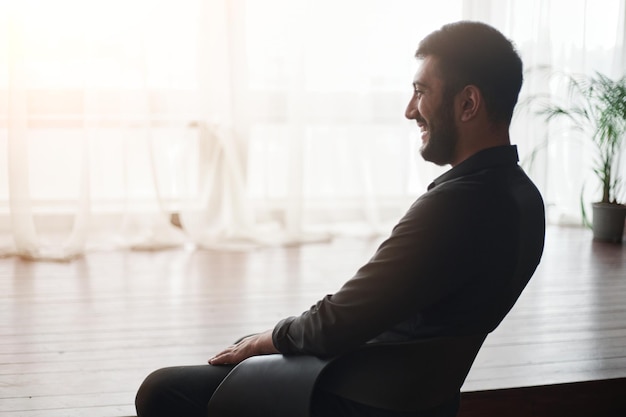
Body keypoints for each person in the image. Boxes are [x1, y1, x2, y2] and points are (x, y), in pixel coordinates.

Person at [135, 20, 545, 417]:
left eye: (421, 91)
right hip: (427, 395)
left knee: (162, 391)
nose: (409, 110)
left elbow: (338, 323)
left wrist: (262, 341)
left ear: (468, 103)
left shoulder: (457, 205)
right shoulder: (524, 199)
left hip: (363, 396)